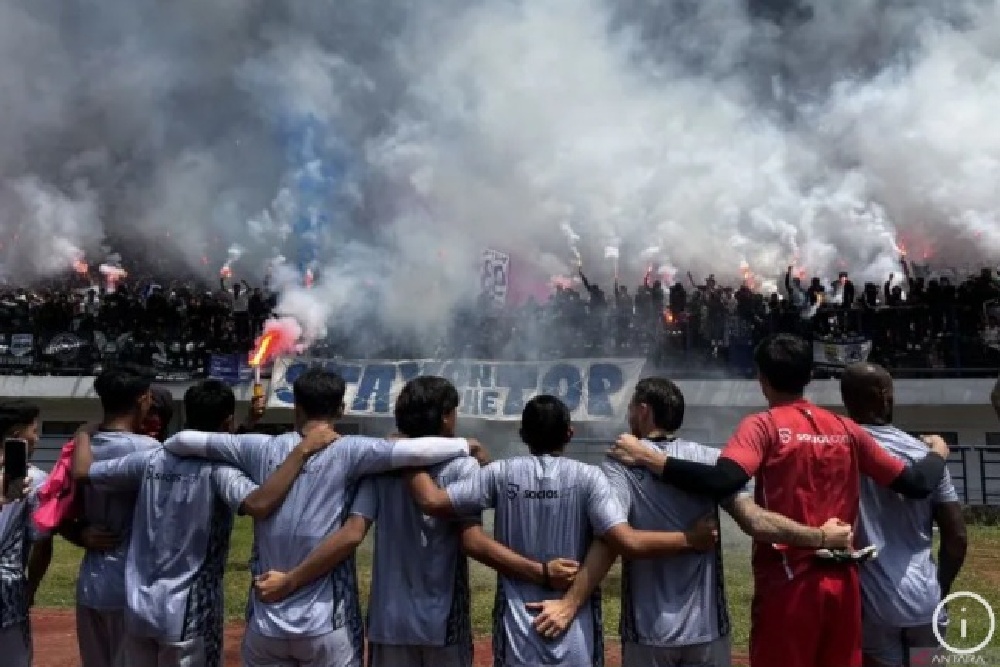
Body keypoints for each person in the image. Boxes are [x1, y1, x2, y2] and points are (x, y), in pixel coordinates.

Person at [609, 334, 951, 667]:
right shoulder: (846, 429)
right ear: (809, 377)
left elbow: (723, 479)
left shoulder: (762, 426)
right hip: (843, 583)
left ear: (763, 379)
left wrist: (651, 458)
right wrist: (938, 452)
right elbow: (917, 484)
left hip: (789, 583)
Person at [161, 368, 483, 667]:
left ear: (295, 407)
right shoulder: (354, 451)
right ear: (341, 409)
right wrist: (464, 445)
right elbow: (412, 455)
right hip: (327, 623)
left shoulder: (258, 447)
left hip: (266, 619)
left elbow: (184, 440)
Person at [256, 376, 579, 667]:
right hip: (442, 621)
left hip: (388, 619)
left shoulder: (381, 469)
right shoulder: (460, 466)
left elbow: (353, 532)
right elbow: (470, 537)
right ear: (444, 418)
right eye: (453, 411)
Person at [407, 394, 719, 667]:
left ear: (523, 435)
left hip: (517, 630)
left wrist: (407, 452)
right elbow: (621, 540)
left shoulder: (500, 474)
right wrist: (690, 539)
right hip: (576, 633)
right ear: (570, 433)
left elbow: (431, 501)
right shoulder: (590, 478)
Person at [565, 377, 854, 667]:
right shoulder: (712, 459)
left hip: (647, 629)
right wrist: (820, 536)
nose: (627, 416)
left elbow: (615, 538)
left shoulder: (620, 462)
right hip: (707, 629)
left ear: (643, 410)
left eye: (629, 408)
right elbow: (755, 522)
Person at [70, 379, 338, 667]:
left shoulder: (151, 459)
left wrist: (83, 433)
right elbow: (259, 504)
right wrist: (301, 452)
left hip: (139, 606)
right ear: (227, 423)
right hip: (190, 612)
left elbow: (84, 472)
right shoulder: (220, 472)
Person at [840, 363, 968, 667]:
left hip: (871, 603)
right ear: (885, 396)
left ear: (846, 400)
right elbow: (957, 537)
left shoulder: (837, 451)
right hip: (925, 598)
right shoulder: (925, 454)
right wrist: (940, 588)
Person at [73, 369, 160, 667]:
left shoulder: (80, 449)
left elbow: (54, 508)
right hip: (131, 588)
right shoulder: (150, 452)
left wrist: (79, 532)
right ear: (142, 399)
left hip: (90, 585)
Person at [0, 401, 54, 667]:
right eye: (34, 430)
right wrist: (31, 587)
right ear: (17, 435)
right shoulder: (36, 480)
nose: (38, 438)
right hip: (8, 594)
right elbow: (42, 541)